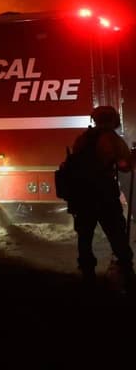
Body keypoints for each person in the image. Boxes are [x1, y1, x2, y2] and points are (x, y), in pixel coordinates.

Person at [66, 105, 134, 290]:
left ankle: (87, 274)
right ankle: (125, 271)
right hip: (104, 196)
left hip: (83, 196)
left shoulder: (82, 138)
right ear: (113, 120)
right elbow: (125, 165)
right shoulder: (112, 139)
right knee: (117, 234)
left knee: (85, 237)